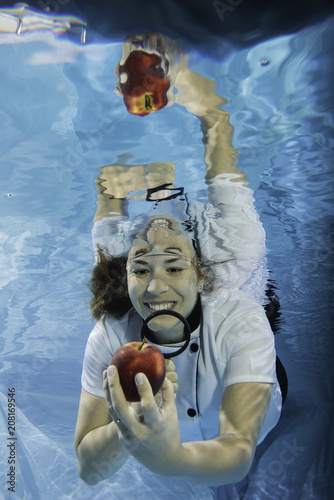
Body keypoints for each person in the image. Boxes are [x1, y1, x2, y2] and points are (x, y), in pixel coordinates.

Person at [74, 35, 283, 488]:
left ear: (199, 270)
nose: (153, 287)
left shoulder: (236, 312)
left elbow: (238, 448)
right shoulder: (113, 330)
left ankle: (151, 182)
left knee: (112, 194)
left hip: (241, 398)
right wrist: (125, 427)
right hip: (176, 440)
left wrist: (168, 458)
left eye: (173, 265)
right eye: (141, 267)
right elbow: (88, 469)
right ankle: (158, 186)